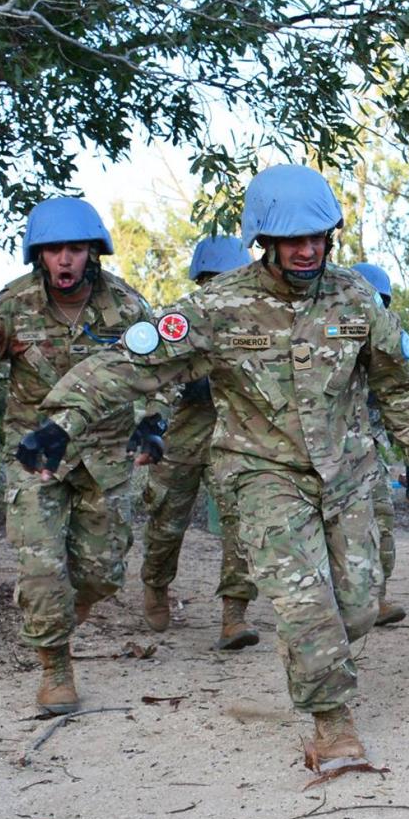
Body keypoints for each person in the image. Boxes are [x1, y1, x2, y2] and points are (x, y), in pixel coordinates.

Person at [21, 165, 409, 766]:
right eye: (292, 239)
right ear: (263, 240)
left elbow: (402, 382)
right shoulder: (218, 307)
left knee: (356, 606)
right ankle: (333, 724)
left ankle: (313, 659)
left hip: (346, 475)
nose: (306, 250)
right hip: (261, 474)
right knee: (304, 603)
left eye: (317, 237)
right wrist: (61, 421)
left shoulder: (357, 299)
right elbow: (129, 363)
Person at [0, 198, 158, 714]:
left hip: (104, 457)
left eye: (75, 249)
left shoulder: (128, 308)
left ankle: (63, 615)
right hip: (34, 457)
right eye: (53, 251)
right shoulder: (12, 306)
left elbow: (164, 370)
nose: (65, 260)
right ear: (38, 256)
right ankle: (55, 667)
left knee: (102, 575)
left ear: (93, 252)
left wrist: (152, 424)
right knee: (42, 568)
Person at [138, 235, 259, 649]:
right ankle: (155, 584)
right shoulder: (181, 321)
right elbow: (155, 373)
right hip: (183, 436)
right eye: (213, 279)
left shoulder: (257, 321)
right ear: (200, 281)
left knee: (240, 524)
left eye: (230, 278)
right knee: (167, 520)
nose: (221, 286)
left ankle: (234, 613)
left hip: (237, 436)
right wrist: (153, 418)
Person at [352, 261, 409, 628]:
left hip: (369, 448)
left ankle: (378, 597)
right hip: (321, 452)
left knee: (382, 521)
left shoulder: (388, 344)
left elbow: (402, 398)